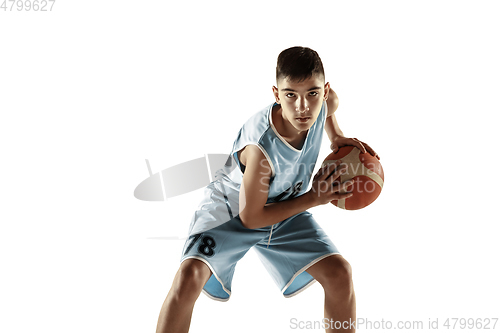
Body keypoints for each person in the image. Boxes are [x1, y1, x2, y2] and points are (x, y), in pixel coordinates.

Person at [155, 46, 379, 333]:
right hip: (235, 209)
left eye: (312, 93)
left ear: (324, 91)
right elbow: (251, 217)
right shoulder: (261, 148)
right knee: (190, 275)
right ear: (276, 94)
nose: (303, 107)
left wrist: (336, 137)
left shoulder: (325, 102)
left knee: (339, 273)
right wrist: (314, 198)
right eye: (290, 95)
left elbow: (331, 107)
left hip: (285, 203)